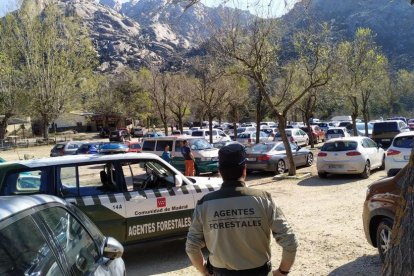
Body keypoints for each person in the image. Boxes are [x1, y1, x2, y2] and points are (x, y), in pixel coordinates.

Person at [185, 143, 298, 276]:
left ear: (220, 172)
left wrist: (204, 270)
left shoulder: (205, 204)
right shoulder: (264, 199)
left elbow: (192, 247)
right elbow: (290, 241)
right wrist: (282, 271)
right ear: (244, 170)